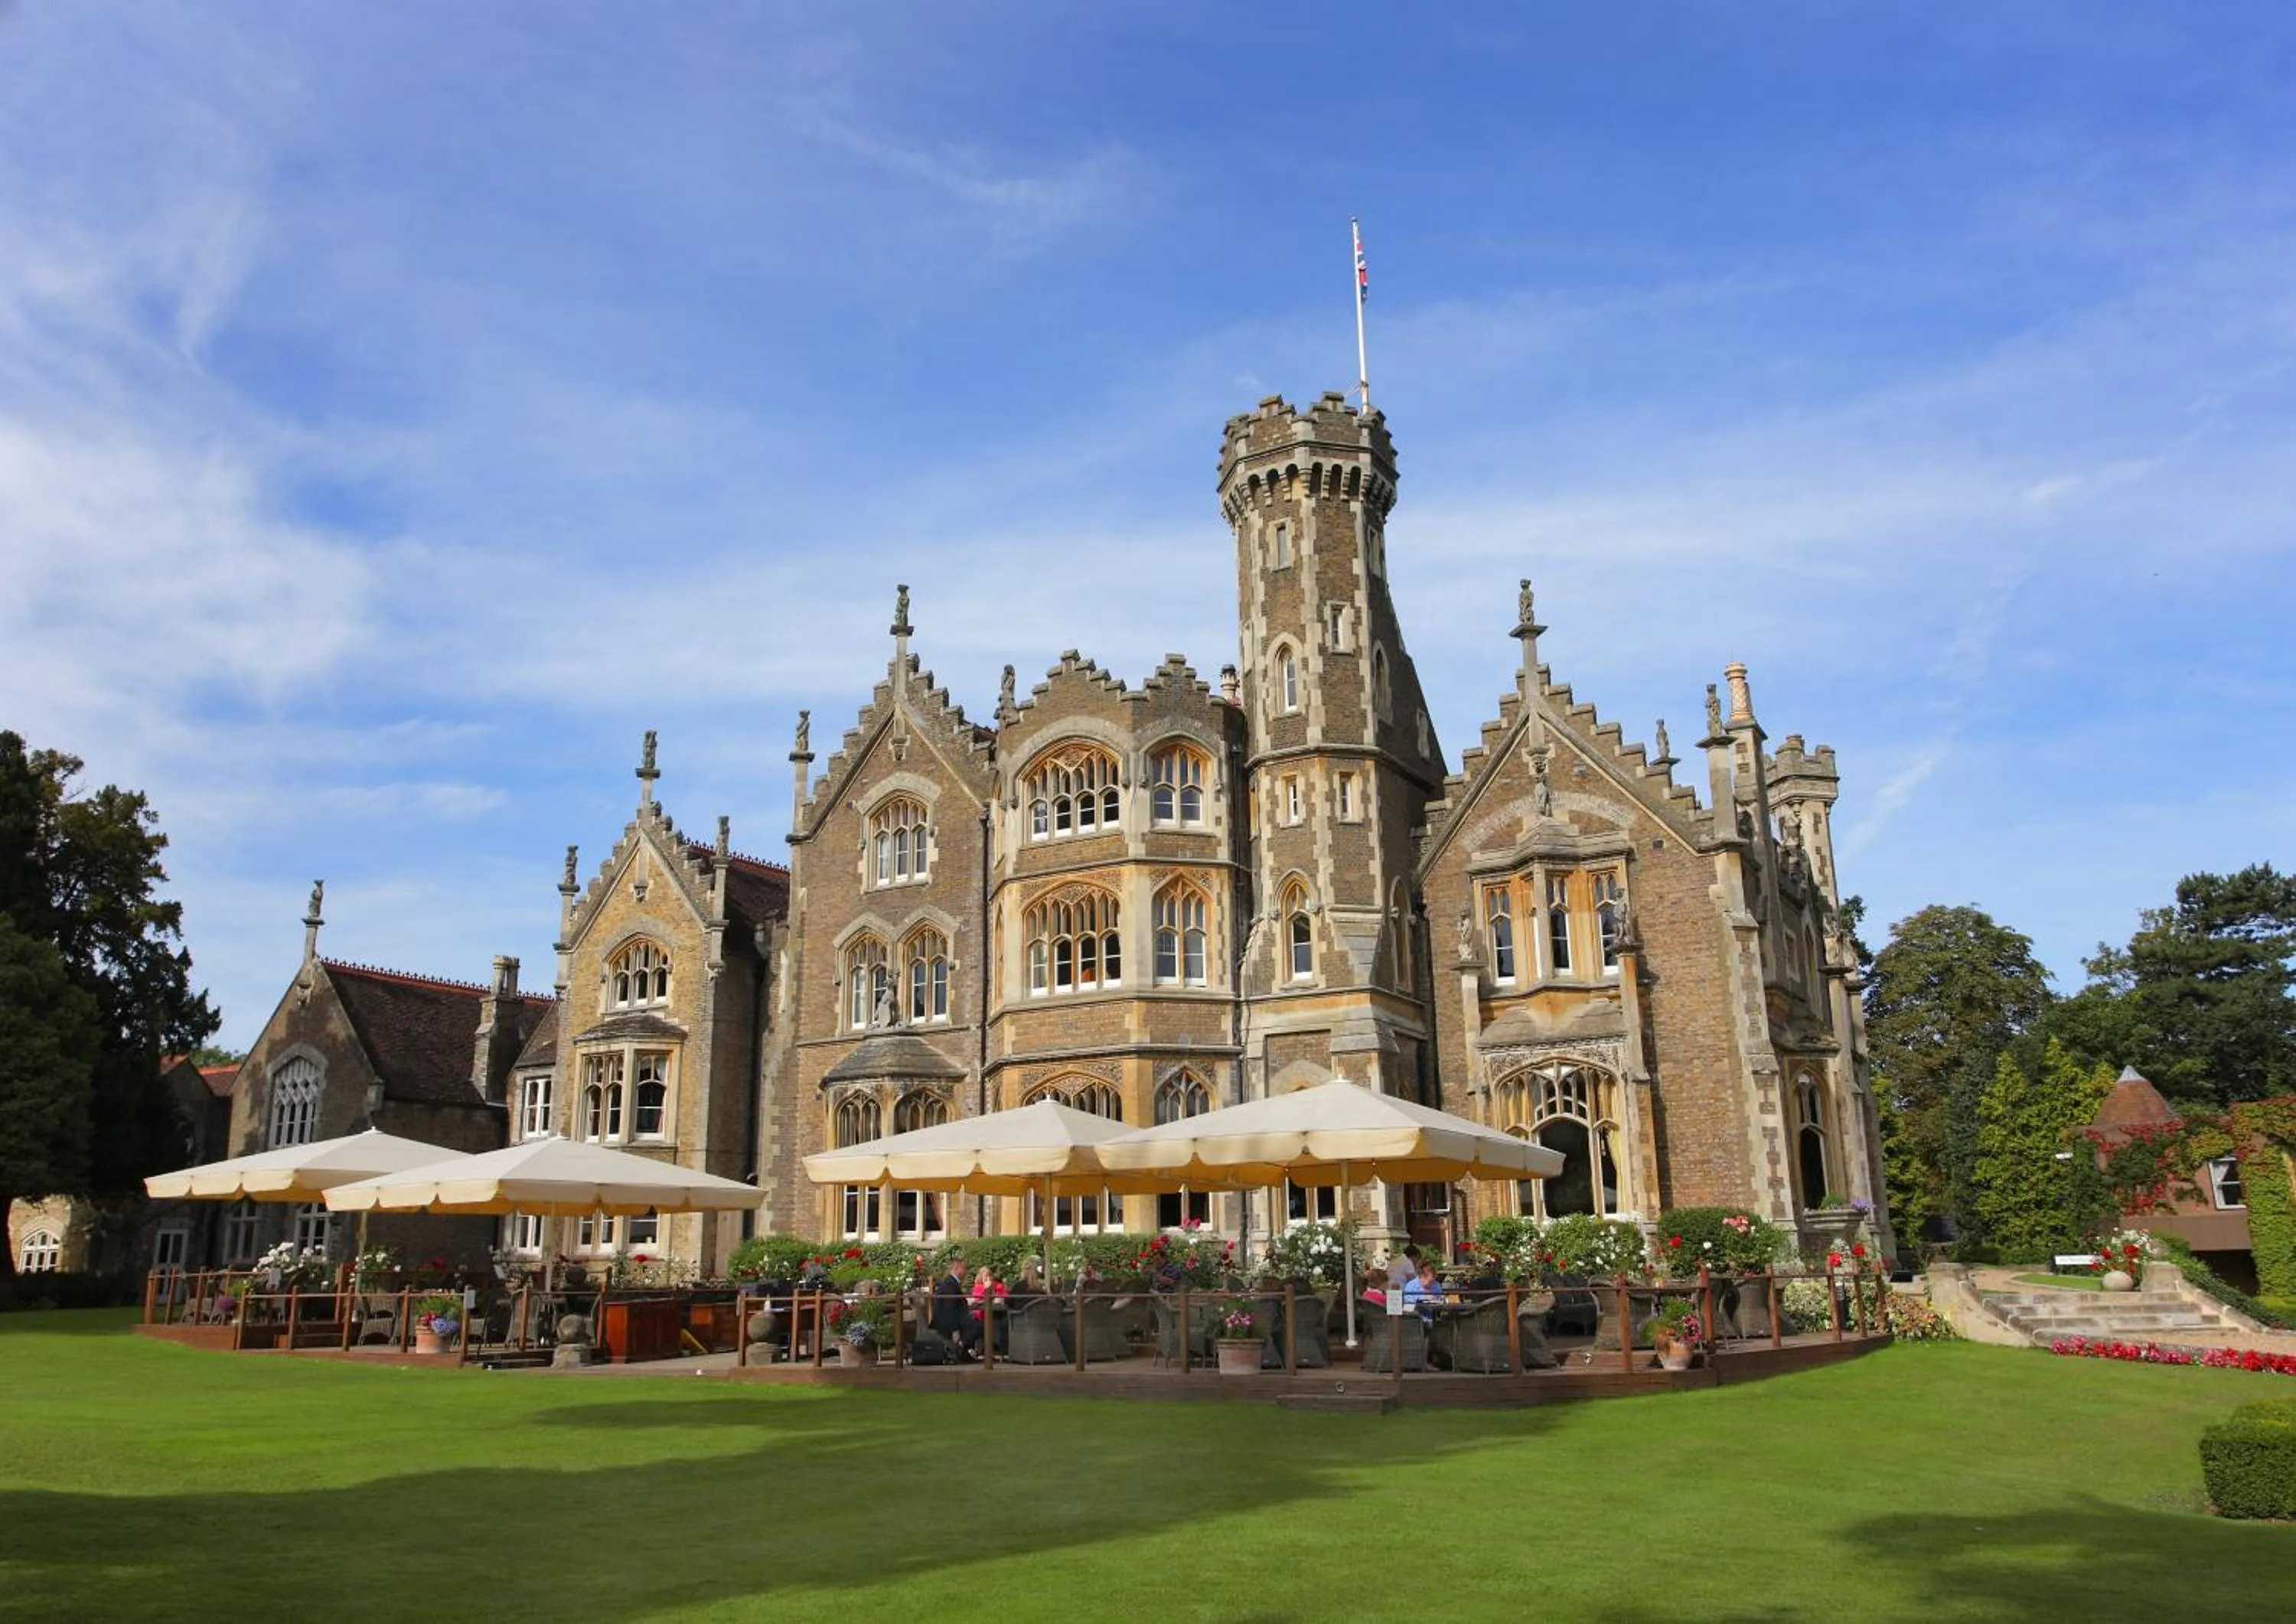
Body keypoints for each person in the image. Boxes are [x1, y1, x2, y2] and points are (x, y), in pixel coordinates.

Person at [929, 1257, 978, 1358]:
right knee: (981, 1326)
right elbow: (950, 1310)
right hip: (946, 1324)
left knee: (977, 1323)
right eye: (965, 1269)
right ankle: (961, 1349)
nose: (966, 1272)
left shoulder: (951, 1283)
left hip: (951, 1321)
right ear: (957, 1269)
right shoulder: (950, 1285)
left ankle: (965, 1352)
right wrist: (955, 1330)